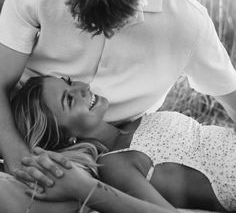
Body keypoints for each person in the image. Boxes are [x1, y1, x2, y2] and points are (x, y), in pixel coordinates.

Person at [0, 0, 236, 184]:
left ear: (137, 8)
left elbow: (230, 93)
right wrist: (17, 157)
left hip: (116, 155)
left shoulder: (188, 22)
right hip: (19, 123)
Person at [11, 75, 236, 212]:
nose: (81, 88)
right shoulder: (114, 164)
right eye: (69, 100)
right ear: (64, 137)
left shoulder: (134, 120)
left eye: (68, 82)